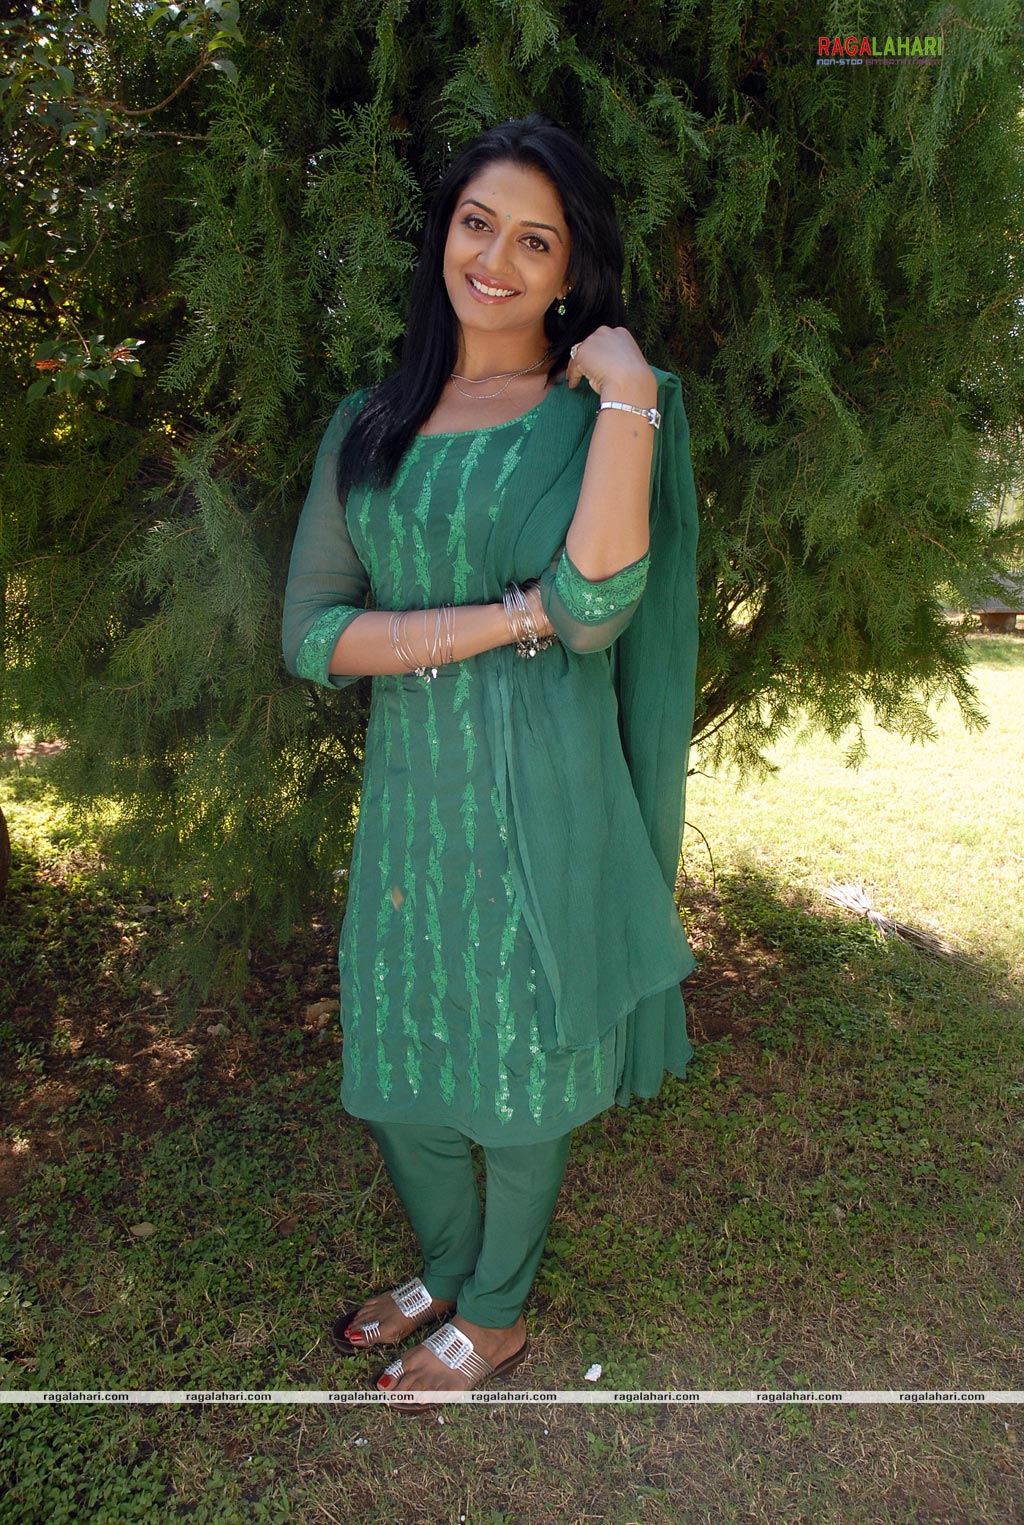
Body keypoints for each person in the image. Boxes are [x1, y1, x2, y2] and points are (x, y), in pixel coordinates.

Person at [281, 112, 700, 1412]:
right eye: (478, 224)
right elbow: (312, 634)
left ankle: (499, 1310)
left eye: (535, 240)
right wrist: (506, 620)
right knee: (401, 1059)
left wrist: (628, 393)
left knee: (523, 1070)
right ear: (444, 235)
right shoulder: (370, 421)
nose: (496, 261)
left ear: (571, 272)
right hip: (413, 803)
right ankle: (447, 1265)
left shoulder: (592, 419)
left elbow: (595, 608)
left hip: (545, 795)